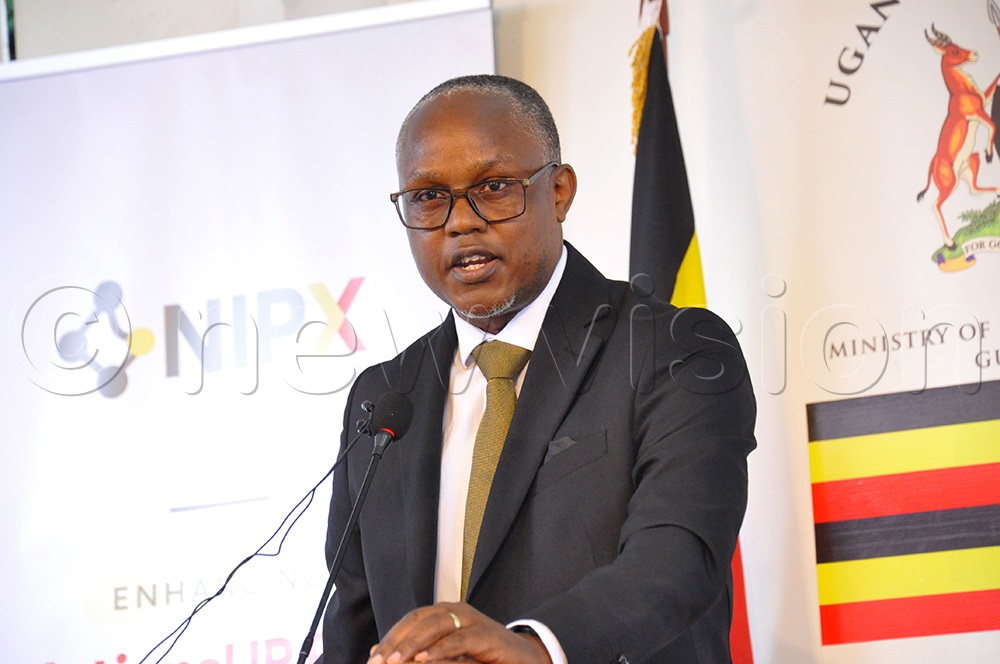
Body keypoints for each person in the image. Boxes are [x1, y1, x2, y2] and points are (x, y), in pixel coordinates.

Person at [319, 74, 756, 664]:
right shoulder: (387, 397)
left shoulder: (677, 350)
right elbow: (355, 627)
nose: (460, 221)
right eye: (427, 197)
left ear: (559, 191)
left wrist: (537, 649)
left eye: (494, 186)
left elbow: (676, 558)